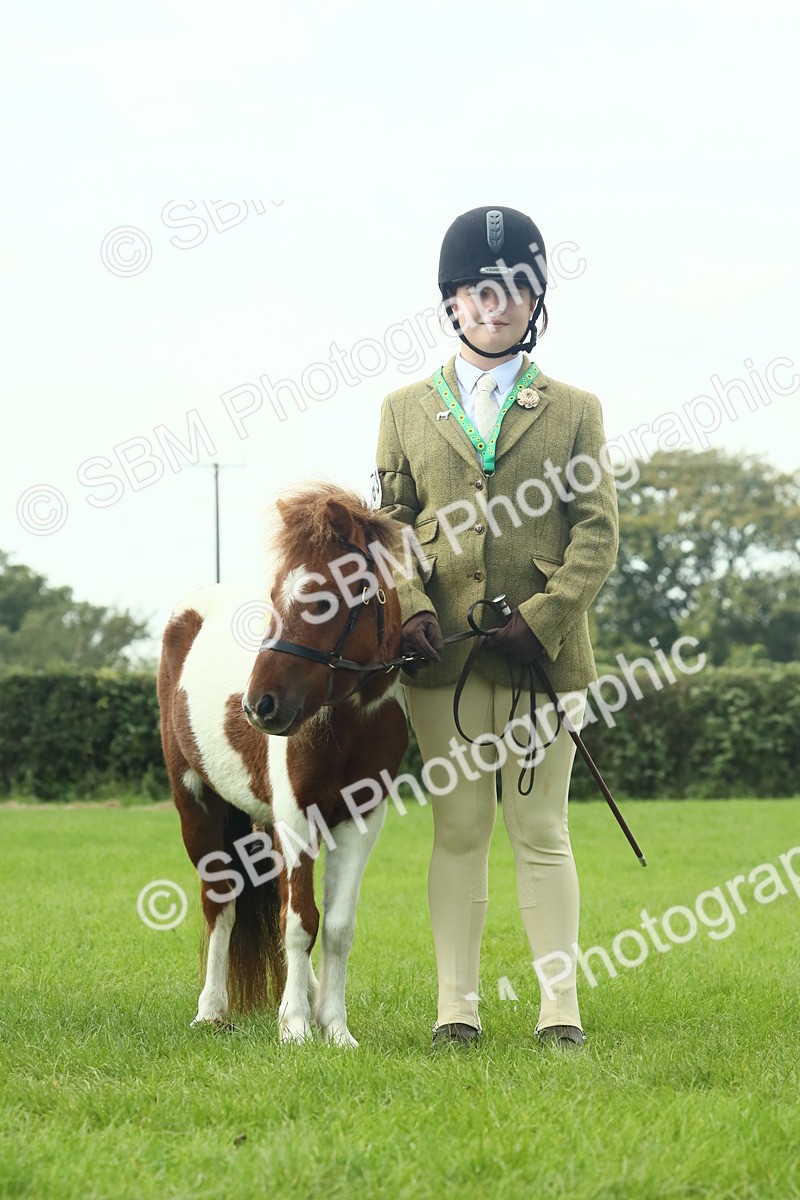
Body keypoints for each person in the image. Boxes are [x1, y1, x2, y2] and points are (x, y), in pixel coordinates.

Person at [373, 205, 619, 1050]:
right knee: (460, 829)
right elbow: (392, 525)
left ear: (535, 299)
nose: (497, 303)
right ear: (452, 302)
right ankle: (456, 1011)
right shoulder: (404, 408)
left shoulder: (576, 409)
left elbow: (596, 530)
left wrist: (546, 617)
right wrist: (408, 611)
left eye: (515, 288)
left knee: (542, 829)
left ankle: (561, 1012)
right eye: (481, 290)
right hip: (439, 661)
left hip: (543, 661)